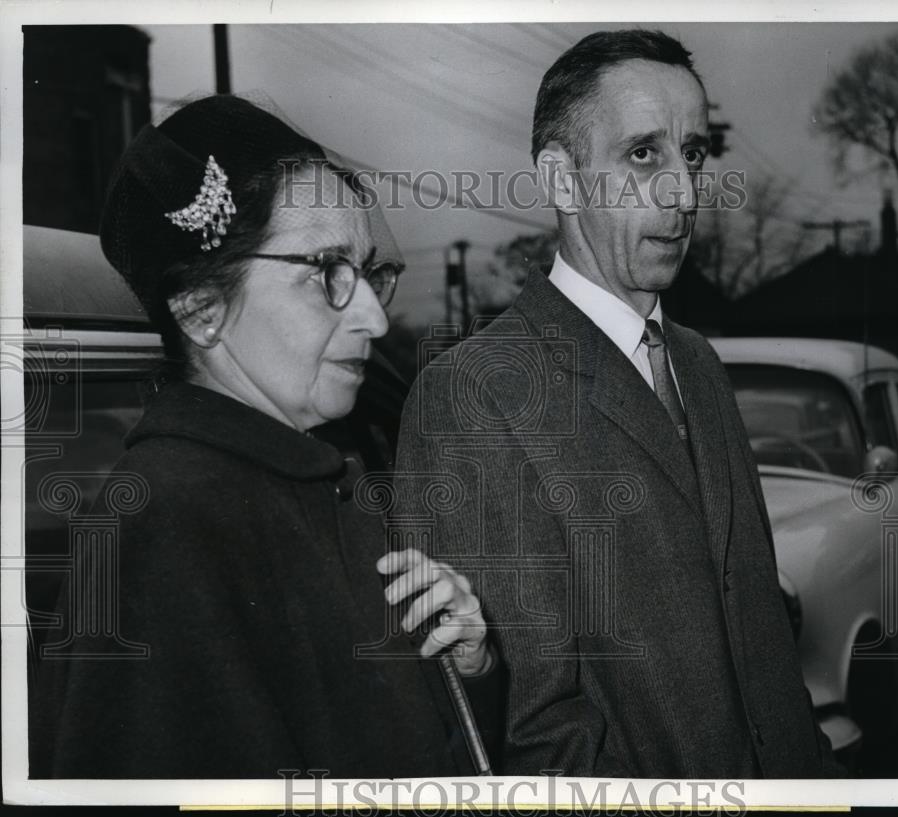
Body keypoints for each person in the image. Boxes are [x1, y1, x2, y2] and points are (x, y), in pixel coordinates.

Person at [394, 30, 841, 778]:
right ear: (561, 181)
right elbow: (533, 741)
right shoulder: (475, 393)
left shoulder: (698, 363)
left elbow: (763, 648)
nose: (684, 192)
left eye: (692, 154)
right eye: (643, 155)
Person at [31, 94, 501, 779]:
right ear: (202, 310)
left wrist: (468, 667)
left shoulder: (322, 480)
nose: (371, 315)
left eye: (368, 271)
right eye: (326, 272)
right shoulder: (167, 529)